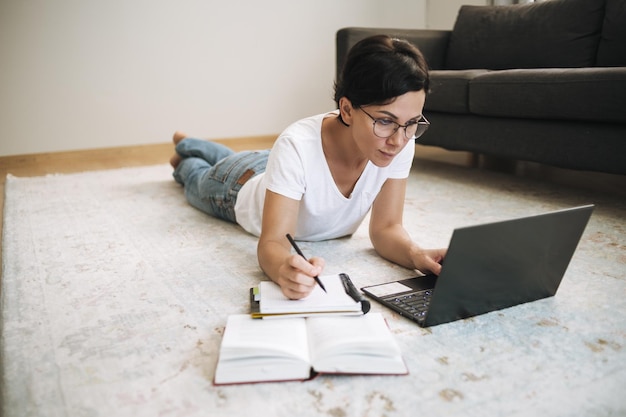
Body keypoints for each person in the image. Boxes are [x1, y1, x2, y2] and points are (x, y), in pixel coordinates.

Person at [170, 35, 447, 300]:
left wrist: (415, 254)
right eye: (385, 121)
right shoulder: (296, 144)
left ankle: (192, 143)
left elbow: (386, 228)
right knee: (196, 177)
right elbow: (273, 242)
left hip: (273, 166)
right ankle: (185, 155)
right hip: (236, 187)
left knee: (238, 157)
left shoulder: (398, 140)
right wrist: (282, 269)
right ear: (347, 110)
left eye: (412, 123)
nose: (398, 140)